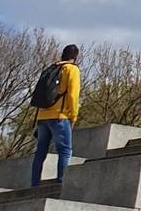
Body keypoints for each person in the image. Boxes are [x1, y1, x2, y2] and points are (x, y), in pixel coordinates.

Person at [30, 44, 80, 187]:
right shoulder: (72, 69)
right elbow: (72, 95)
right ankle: (61, 181)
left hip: (42, 116)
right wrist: (73, 116)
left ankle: (34, 183)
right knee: (65, 150)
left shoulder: (52, 68)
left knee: (40, 152)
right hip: (60, 116)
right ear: (75, 57)